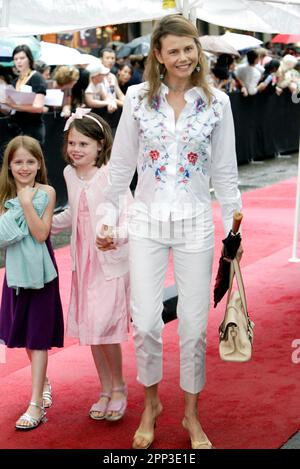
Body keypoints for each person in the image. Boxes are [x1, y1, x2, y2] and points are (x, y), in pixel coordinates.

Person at [97, 14, 242, 450]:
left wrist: (236, 228)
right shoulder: (138, 99)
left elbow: (226, 171)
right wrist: (108, 215)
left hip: (196, 224)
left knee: (195, 328)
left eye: (189, 48)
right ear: (157, 55)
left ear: (198, 51)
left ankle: (191, 416)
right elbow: (121, 165)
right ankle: (151, 404)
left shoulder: (217, 102)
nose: (183, 57)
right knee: (144, 324)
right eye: (174, 50)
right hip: (146, 223)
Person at [51, 109, 132, 421]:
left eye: (83, 143)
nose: (76, 149)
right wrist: (46, 223)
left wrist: (116, 236)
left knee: (106, 328)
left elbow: (130, 215)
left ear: (100, 145)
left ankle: (120, 387)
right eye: (72, 143)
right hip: (83, 263)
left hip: (109, 263)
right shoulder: (71, 175)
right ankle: (105, 388)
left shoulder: (112, 176)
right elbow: (76, 213)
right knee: (92, 329)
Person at [0, 135, 64, 430]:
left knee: (38, 337)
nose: (24, 167)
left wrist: (25, 204)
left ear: (39, 164)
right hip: (14, 274)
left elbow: (40, 234)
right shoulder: (2, 196)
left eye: (30, 161)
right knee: (25, 335)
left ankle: (36, 403)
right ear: (9, 165)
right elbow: (4, 238)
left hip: (41, 273)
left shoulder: (47, 192)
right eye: (18, 162)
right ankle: (44, 383)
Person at [0, 45, 47, 145]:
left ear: (29, 59)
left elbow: (38, 107)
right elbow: (9, 110)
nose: (18, 61)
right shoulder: (15, 81)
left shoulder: (36, 78)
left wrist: (14, 106)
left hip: (32, 128)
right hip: (16, 128)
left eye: (22, 58)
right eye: (16, 59)